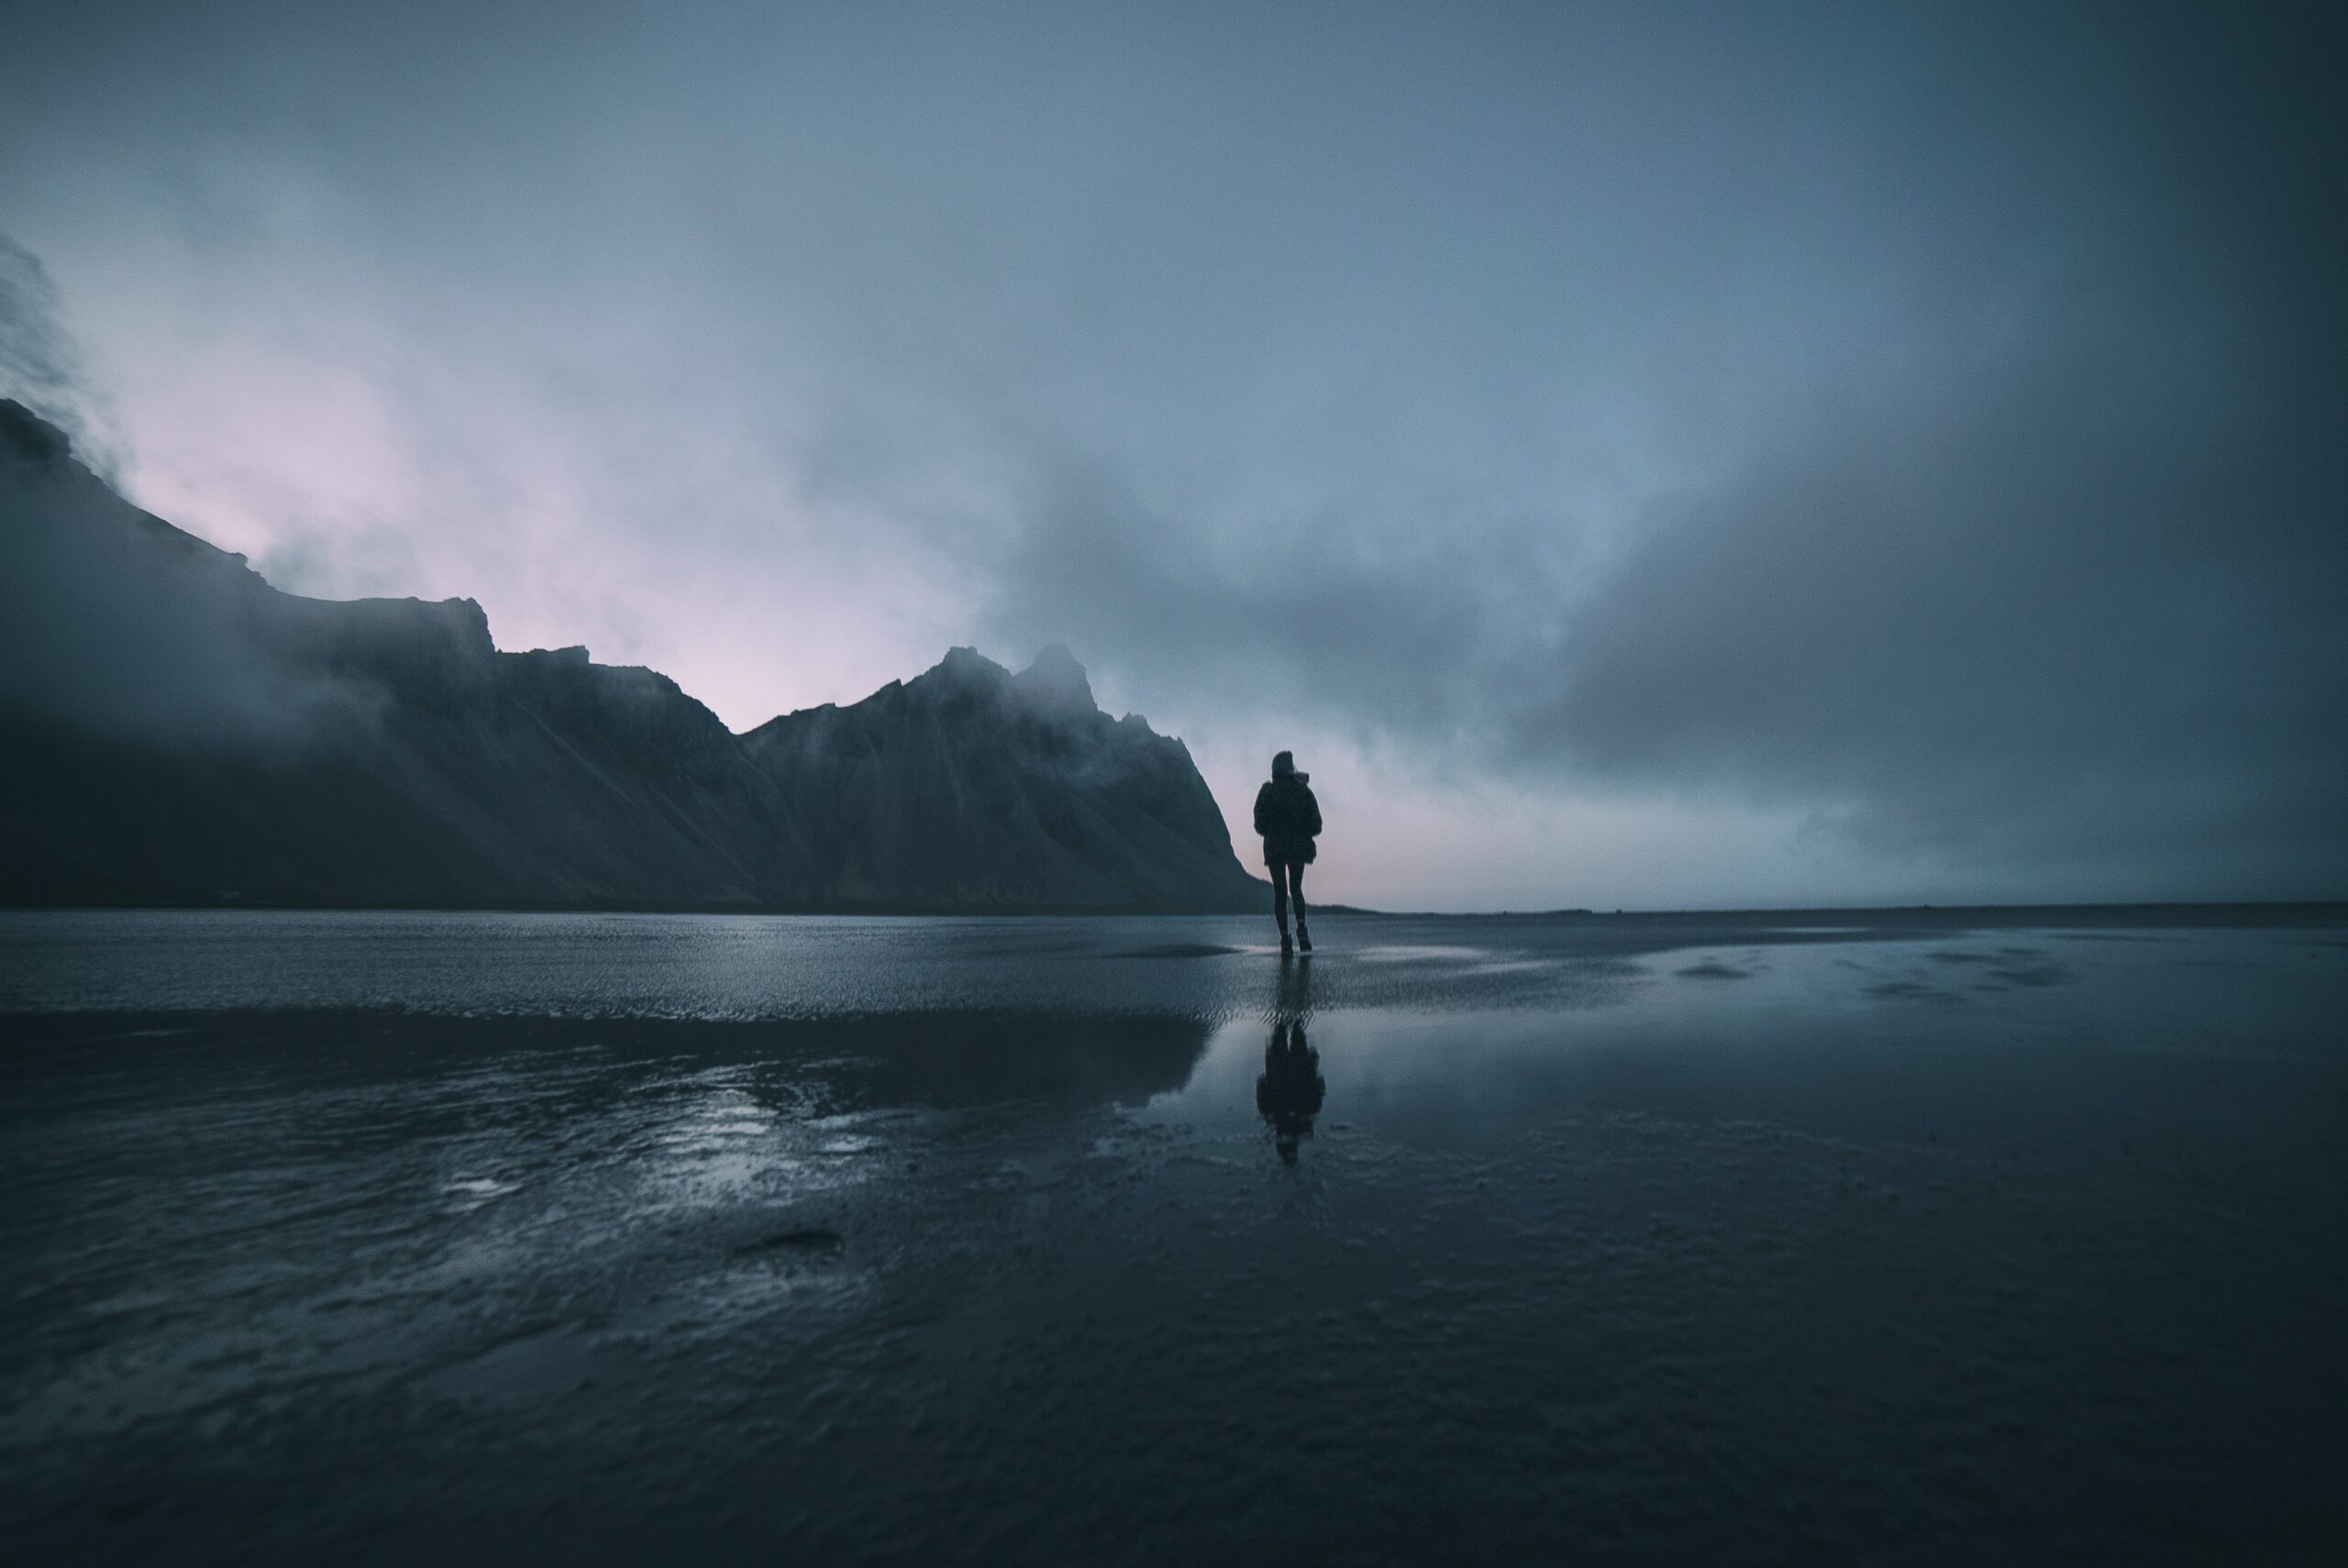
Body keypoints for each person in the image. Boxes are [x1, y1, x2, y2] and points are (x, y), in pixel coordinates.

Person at [1252, 750, 1322, 955]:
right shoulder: (1303, 792)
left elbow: (1258, 823)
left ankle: (1285, 939)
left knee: (1280, 893)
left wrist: (1271, 832)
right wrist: (1302, 832)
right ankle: (1302, 931)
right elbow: (1317, 824)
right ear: (1291, 769)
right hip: (1298, 848)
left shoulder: (1267, 792)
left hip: (1274, 848)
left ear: (1274, 770)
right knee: (1296, 888)